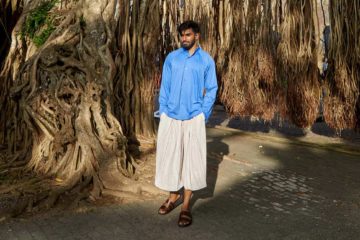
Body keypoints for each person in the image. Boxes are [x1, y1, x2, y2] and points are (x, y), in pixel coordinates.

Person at [155, 20, 218, 227]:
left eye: (188, 35)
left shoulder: (206, 61)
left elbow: (212, 88)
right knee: (172, 158)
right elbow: (164, 86)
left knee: (191, 160)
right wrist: (163, 111)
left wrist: (203, 114)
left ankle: (185, 206)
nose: (184, 39)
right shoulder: (172, 58)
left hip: (193, 118)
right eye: (182, 35)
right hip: (171, 116)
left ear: (197, 36)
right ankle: (173, 197)